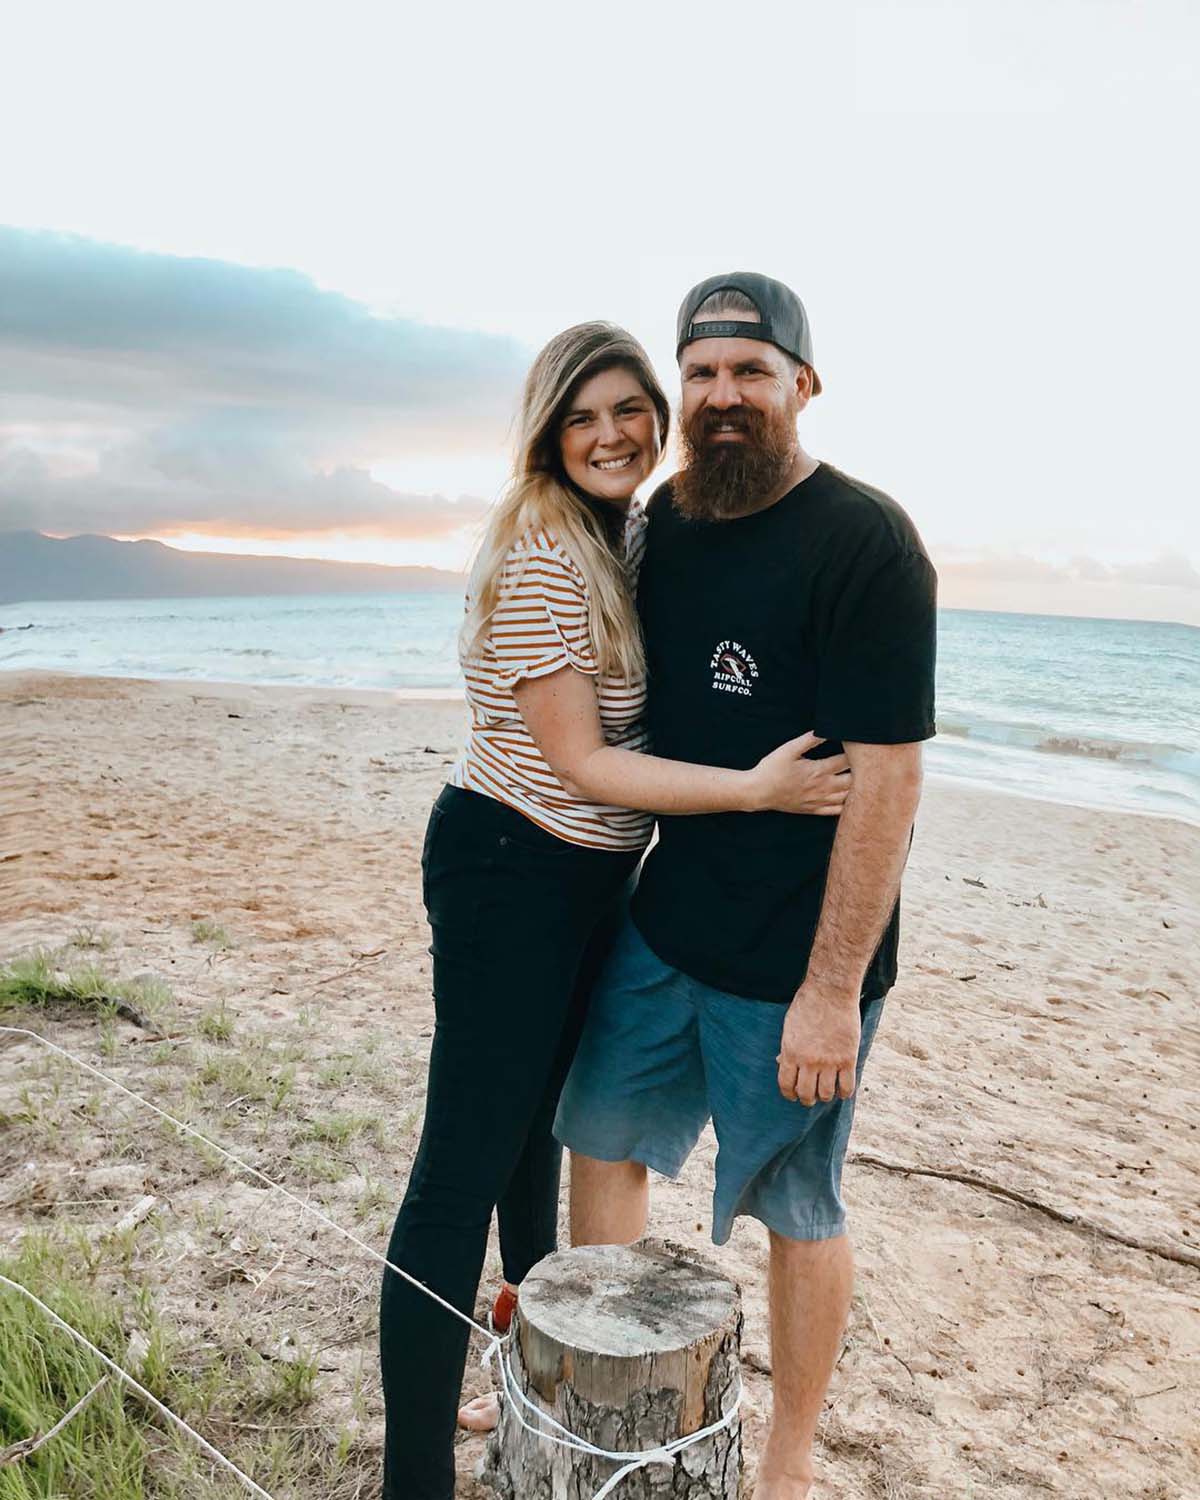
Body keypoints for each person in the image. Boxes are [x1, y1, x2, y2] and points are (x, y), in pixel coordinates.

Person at [378, 320, 852, 1500]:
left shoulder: (622, 530)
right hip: (510, 870)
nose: (610, 434)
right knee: (460, 1171)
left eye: (628, 409)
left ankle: (534, 1376)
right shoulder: (546, 548)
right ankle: (412, 1479)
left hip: (583, 879)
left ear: (658, 415)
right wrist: (753, 791)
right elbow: (584, 763)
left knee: (531, 1141)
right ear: (549, 433)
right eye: (582, 417)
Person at [556, 275, 937, 1500]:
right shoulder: (665, 523)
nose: (723, 396)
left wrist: (832, 992)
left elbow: (889, 784)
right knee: (599, 1143)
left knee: (799, 1207)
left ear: (802, 386)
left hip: (797, 959)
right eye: (703, 373)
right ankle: (595, 1393)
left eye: (751, 372)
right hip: (665, 923)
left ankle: (787, 1460)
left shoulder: (867, 543)